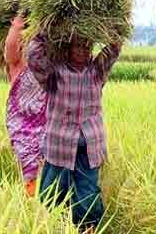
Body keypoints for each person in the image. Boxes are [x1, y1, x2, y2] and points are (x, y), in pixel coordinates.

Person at [28, 31, 121, 232]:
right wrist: (46, 30)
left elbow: (115, 47)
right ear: (68, 48)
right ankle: (52, 229)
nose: (83, 50)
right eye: (78, 46)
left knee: (87, 197)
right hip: (59, 146)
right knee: (52, 197)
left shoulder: (97, 70)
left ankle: (86, 230)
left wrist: (115, 28)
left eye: (87, 46)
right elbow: (34, 58)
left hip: (89, 147)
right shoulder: (54, 73)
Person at [4, 15, 48, 197]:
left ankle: (45, 205)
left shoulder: (48, 65)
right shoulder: (17, 61)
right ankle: (30, 206)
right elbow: (11, 48)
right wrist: (17, 25)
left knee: (45, 169)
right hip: (22, 127)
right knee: (28, 167)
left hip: (46, 127)